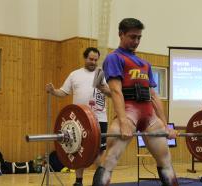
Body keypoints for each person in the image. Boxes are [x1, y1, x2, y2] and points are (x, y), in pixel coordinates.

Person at [92, 18, 178, 186]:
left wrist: (166, 125)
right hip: (129, 113)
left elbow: (153, 95)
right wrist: (123, 122)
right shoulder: (114, 58)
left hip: (149, 116)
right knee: (110, 159)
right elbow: (116, 91)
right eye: (132, 37)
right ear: (121, 34)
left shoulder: (145, 64)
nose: (136, 41)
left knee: (166, 160)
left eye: (139, 37)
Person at [46, 47, 111, 186]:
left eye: (95, 59)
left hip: (100, 119)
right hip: (80, 119)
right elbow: (63, 92)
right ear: (85, 58)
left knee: (100, 150)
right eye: (90, 59)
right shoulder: (74, 75)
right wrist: (53, 91)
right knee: (79, 149)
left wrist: (105, 89)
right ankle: (78, 181)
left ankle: (99, 181)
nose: (93, 62)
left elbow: (112, 93)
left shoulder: (102, 74)